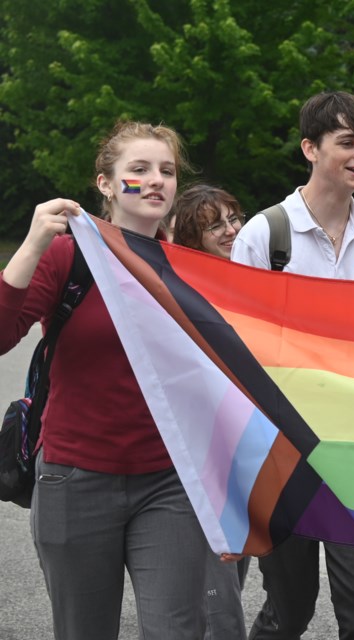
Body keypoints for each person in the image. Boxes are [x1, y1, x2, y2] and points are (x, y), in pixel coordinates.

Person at [0, 121, 209, 639]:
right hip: (74, 478)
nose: (156, 180)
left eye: (167, 170)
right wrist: (31, 243)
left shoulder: (192, 268)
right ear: (106, 185)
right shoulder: (68, 255)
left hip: (169, 481)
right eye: (138, 170)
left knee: (176, 630)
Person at [232, 90, 354, 640]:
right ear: (310, 147)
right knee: (290, 610)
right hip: (283, 453)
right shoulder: (265, 235)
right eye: (347, 143)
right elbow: (240, 351)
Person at [169, 183, 251, 639]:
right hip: (202, 451)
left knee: (235, 565)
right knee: (215, 584)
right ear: (189, 237)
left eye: (233, 218)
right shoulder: (181, 286)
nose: (230, 230)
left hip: (243, 447)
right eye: (214, 225)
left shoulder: (251, 276)